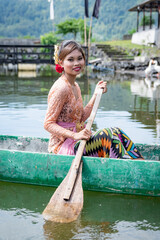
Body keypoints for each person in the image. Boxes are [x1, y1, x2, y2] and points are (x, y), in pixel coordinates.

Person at [44, 40, 143, 159]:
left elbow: (80, 118)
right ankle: (127, 168)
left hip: (77, 141)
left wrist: (95, 95)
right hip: (62, 146)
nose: (76, 63)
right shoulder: (61, 88)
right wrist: (75, 135)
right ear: (61, 62)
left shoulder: (75, 86)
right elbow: (48, 124)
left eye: (79, 58)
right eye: (70, 59)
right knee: (108, 134)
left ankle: (139, 162)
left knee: (117, 131)